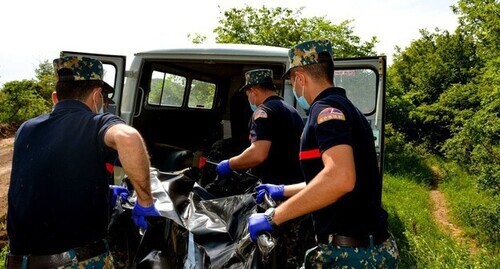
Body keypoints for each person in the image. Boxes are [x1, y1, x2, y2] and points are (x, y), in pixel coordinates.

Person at [247, 40, 399, 268]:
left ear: (300, 78)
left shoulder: (324, 111)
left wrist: (273, 216)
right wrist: (282, 191)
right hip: (370, 248)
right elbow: (327, 180)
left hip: (351, 255)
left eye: (291, 80)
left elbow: (340, 179)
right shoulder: (348, 108)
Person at [6, 56, 160, 269]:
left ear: (55, 97)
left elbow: (51, 177)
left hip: (19, 262)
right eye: (104, 97)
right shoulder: (97, 123)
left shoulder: (26, 129)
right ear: (97, 94)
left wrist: (104, 191)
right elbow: (128, 138)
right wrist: (145, 201)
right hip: (76, 262)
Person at [216, 69, 312, 268]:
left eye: (248, 93)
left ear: (254, 91)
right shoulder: (289, 110)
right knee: (292, 247)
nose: (249, 99)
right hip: (297, 190)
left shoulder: (263, 112)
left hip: (275, 195)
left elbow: (258, 153)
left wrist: (229, 164)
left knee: (272, 249)